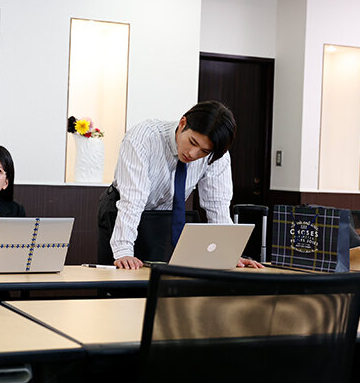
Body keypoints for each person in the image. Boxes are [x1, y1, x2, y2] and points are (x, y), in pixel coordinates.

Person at [97, 100, 263, 270]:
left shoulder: (216, 155)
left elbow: (218, 206)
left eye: (204, 151)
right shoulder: (143, 138)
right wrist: (123, 251)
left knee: (158, 276)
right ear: (183, 123)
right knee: (121, 273)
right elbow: (132, 200)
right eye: (193, 142)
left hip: (164, 215)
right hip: (121, 210)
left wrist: (229, 254)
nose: (193, 154)